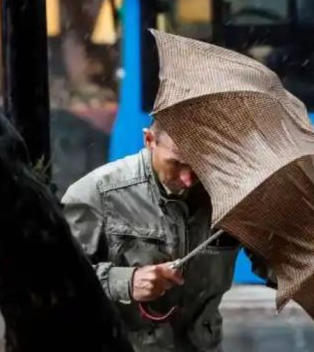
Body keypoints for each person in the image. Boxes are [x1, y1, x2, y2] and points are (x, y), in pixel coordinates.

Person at [61, 121, 274, 351]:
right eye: (176, 164)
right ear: (149, 140)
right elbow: (54, 278)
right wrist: (126, 282)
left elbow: (273, 265)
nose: (188, 179)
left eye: (198, 165)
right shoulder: (98, 194)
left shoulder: (230, 195)